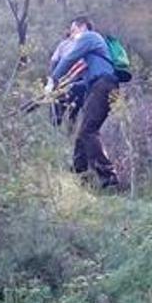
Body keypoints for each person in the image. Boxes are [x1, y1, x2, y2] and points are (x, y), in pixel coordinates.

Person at [47, 16, 119, 188]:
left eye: (73, 31)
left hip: (103, 85)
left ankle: (109, 178)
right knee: (82, 134)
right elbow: (82, 80)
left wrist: (53, 80)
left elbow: (69, 58)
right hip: (98, 86)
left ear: (82, 27)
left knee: (88, 131)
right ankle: (80, 176)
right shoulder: (92, 52)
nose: (71, 35)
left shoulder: (89, 37)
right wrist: (64, 90)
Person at [48, 29, 85, 127]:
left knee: (68, 109)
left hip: (73, 80)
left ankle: (63, 126)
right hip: (67, 80)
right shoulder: (64, 44)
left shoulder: (78, 44)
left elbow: (53, 62)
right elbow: (54, 62)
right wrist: (53, 79)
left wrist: (53, 78)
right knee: (68, 109)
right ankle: (64, 126)